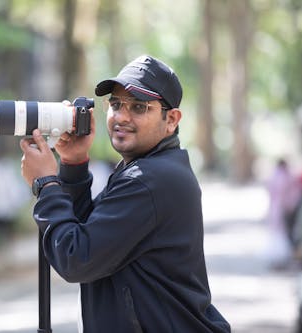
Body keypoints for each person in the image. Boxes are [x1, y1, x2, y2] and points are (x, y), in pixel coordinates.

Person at [20, 55, 230, 332]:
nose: (121, 116)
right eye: (116, 104)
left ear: (172, 119)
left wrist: (46, 184)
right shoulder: (149, 169)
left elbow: (75, 258)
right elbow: (90, 236)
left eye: (139, 107)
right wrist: (73, 164)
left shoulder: (149, 179)